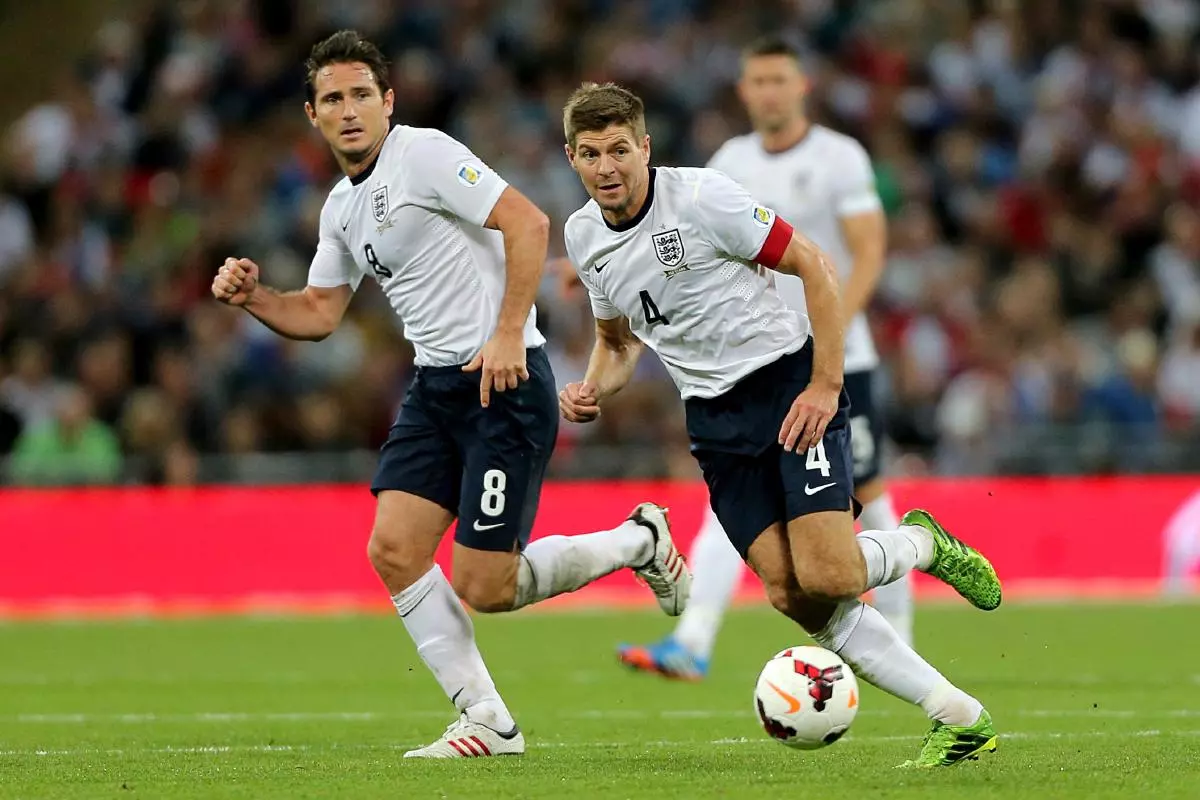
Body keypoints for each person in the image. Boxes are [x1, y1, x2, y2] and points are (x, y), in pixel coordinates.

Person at [210, 31, 691, 760]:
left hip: (505, 378)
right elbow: (318, 311)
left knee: (485, 585)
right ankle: (487, 719)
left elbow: (527, 222)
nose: (349, 111)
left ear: (387, 101)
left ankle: (639, 540)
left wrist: (505, 333)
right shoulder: (342, 208)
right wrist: (254, 299)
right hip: (436, 388)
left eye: (362, 95)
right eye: (333, 99)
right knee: (394, 550)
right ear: (312, 113)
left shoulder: (424, 154)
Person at [557, 80, 1000, 767]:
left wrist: (826, 383)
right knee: (791, 593)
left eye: (620, 149)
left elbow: (813, 266)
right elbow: (618, 345)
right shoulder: (584, 237)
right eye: (591, 154)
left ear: (645, 148)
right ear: (571, 158)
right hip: (714, 422)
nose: (607, 166)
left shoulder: (703, 199)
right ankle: (960, 716)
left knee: (829, 573)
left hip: (789, 386)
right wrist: (593, 388)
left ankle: (919, 545)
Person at [618, 35, 912, 681]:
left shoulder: (839, 157)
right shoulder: (730, 160)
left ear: (801, 85)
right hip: (762, 361)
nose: (769, 92)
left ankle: (904, 637)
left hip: (837, 357)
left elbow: (865, 252)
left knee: (866, 489)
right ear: (744, 90)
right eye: (758, 81)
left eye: (781, 79)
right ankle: (694, 638)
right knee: (743, 504)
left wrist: (828, 338)